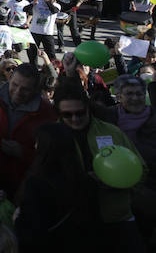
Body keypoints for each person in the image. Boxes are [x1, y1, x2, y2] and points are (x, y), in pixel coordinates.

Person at [52, 77, 145, 248]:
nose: (74, 118)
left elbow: (141, 169)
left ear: (88, 108)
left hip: (117, 218)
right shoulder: (51, 139)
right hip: (74, 221)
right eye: (67, 114)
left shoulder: (111, 131)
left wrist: (120, 184)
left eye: (80, 113)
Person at [13, 122, 100, 253]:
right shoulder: (86, 181)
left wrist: (18, 221)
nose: (35, 145)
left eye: (37, 142)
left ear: (45, 147)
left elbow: (33, 232)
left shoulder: (36, 184)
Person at [0, 63, 56, 196]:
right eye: (15, 85)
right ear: (9, 79)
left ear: (35, 89)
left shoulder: (46, 112)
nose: (18, 92)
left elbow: (50, 155)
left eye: (25, 89)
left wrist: (23, 152)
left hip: (23, 183)